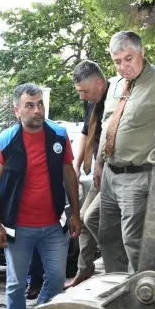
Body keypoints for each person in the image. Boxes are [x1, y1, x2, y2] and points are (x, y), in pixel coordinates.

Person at [0, 83, 82, 309]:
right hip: (18, 227)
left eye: (40, 104)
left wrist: (75, 214)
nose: (37, 110)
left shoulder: (58, 135)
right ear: (17, 110)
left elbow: (69, 174)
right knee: (17, 284)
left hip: (53, 225)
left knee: (57, 278)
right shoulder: (5, 141)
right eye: (30, 106)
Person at [94, 31, 155, 274]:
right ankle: (116, 288)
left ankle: (144, 295)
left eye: (128, 58)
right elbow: (107, 126)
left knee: (134, 242)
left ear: (142, 53)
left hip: (140, 175)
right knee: (107, 238)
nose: (123, 66)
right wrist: (99, 165)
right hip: (110, 173)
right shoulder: (115, 85)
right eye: (117, 61)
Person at [66, 60, 110, 289]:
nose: (81, 97)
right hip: (97, 175)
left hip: (114, 174)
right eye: (79, 91)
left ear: (100, 84)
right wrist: (74, 165)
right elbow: (85, 132)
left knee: (93, 217)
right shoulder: (90, 101)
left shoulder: (115, 98)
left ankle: (113, 268)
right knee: (82, 217)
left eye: (84, 91)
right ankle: (84, 271)